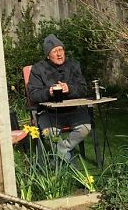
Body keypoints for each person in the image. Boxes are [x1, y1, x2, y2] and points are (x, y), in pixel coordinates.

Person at [27, 35, 92, 163]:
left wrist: (70, 89)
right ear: (47, 55)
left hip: (73, 110)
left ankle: (63, 150)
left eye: (61, 50)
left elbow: (83, 89)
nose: (59, 54)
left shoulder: (73, 65)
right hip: (49, 113)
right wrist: (48, 92)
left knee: (85, 127)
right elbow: (33, 94)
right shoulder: (38, 69)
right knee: (49, 133)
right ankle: (65, 158)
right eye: (54, 51)